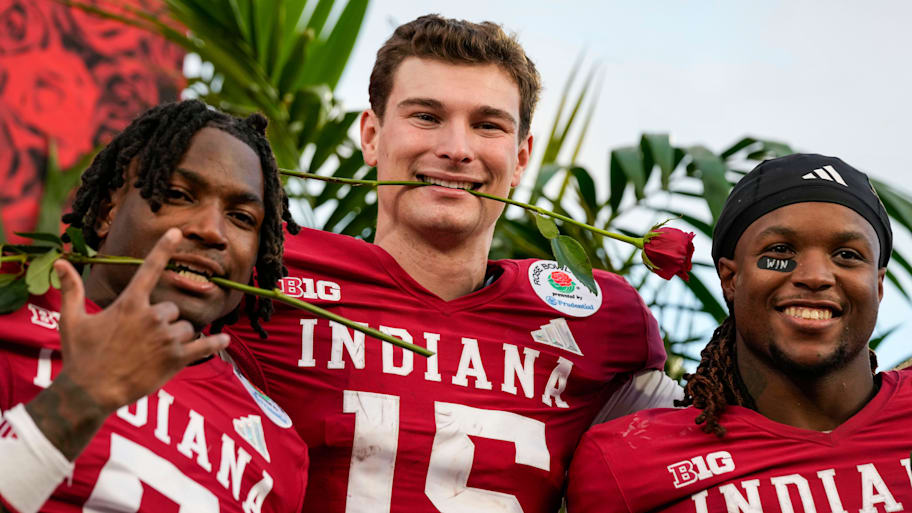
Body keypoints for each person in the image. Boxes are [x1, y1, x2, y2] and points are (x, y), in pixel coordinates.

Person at [225, 15, 680, 512]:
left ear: (522, 157)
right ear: (372, 136)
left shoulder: (600, 319)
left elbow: (718, 448)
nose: (456, 150)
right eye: (426, 116)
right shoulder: (266, 270)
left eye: (487, 125)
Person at [0, 100, 308, 512]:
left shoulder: (279, 446)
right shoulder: (11, 316)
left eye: (241, 217)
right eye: (179, 195)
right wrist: (79, 397)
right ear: (109, 210)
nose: (211, 231)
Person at [566, 153, 912, 512]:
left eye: (847, 254)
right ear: (730, 279)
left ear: (878, 284)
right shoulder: (628, 461)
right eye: (780, 250)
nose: (815, 276)